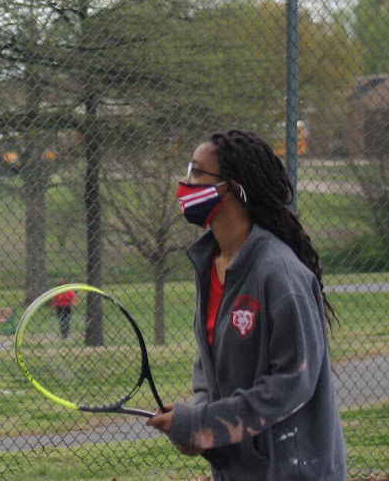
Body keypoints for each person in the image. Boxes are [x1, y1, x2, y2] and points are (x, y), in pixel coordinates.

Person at [146, 129, 346, 480]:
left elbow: (293, 381)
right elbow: (209, 368)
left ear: (231, 188)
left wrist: (206, 425)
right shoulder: (212, 264)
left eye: (196, 172)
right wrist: (202, 426)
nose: (184, 182)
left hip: (291, 471)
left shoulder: (280, 274)